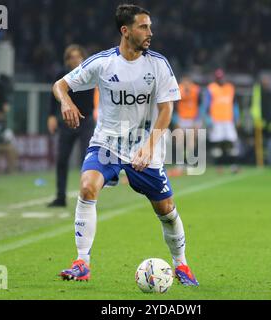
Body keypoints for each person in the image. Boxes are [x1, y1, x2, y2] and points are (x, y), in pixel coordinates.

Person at [53, 4, 198, 286]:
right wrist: (66, 101)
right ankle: (82, 262)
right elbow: (60, 85)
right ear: (125, 30)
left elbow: (166, 111)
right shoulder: (104, 63)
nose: (150, 33)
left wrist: (148, 147)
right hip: (106, 143)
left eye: (150, 27)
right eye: (143, 27)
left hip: (146, 148)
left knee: (166, 210)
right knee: (86, 187)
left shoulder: (158, 64)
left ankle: (182, 264)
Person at [47, 45, 95, 207]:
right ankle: (60, 196)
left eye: (78, 56)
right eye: (71, 57)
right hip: (67, 122)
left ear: (83, 58)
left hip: (86, 121)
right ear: (67, 60)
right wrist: (52, 116)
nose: (75, 60)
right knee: (62, 159)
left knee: (86, 159)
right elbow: (53, 96)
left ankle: (87, 194)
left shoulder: (90, 72)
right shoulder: (62, 76)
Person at [202, 68, 240, 173]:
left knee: (231, 142)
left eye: (221, 77)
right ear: (216, 78)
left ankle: (234, 165)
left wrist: (237, 117)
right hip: (216, 120)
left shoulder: (230, 88)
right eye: (218, 78)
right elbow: (206, 105)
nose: (220, 79)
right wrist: (207, 119)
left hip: (228, 120)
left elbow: (234, 104)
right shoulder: (211, 88)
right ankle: (219, 166)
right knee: (217, 143)